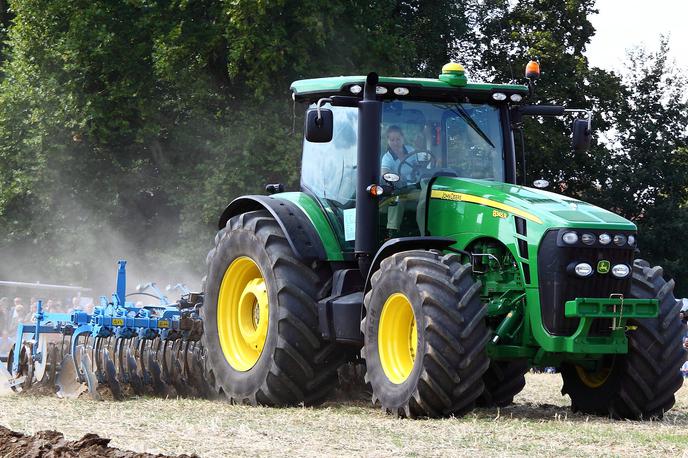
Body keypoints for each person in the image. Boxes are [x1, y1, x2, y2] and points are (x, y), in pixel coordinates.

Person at [380, 125, 432, 238]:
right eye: (392, 140)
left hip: (414, 187)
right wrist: (396, 176)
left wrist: (420, 165)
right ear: (388, 141)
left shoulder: (410, 150)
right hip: (399, 189)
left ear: (403, 139)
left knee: (427, 197)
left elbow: (419, 161)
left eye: (398, 139)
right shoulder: (387, 158)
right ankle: (392, 232)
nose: (395, 142)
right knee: (397, 200)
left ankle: (423, 231)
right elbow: (384, 173)